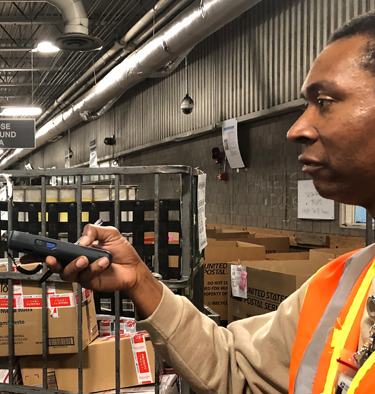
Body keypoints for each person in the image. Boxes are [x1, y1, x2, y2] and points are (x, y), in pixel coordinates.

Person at [24, 13, 375, 394]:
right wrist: (139, 280)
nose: (296, 130)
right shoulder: (343, 284)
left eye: (323, 101)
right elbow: (234, 366)